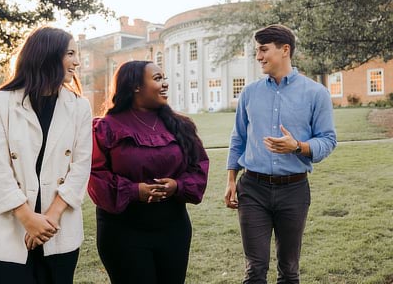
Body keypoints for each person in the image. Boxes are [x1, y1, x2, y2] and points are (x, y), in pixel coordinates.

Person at [0, 26, 92, 284]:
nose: (77, 62)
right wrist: (28, 219)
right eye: (70, 53)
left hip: (58, 227)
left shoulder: (80, 107)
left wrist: (49, 219)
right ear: (47, 54)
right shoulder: (0, 102)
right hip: (10, 225)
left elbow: (81, 166)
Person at [224, 24, 337, 283]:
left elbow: (329, 140)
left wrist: (298, 146)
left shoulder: (315, 93)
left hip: (294, 191)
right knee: (255, 269)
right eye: (257, 51)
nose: (258, 56)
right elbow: (238, 137)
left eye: (263, 50)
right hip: (252, 188)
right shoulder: (250, 93)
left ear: (285, 50)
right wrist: (231, 180)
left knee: (289, 269)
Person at [88, 60, 209, 284]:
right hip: (123, 232)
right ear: (135, 85)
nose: (165, 84)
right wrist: (135, 191)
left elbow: (198, 165)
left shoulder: (180, 125)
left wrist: (177, 186)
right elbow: (96, 176)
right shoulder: (106, 127)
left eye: (164, 78)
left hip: (173, 229)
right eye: (157, 79)